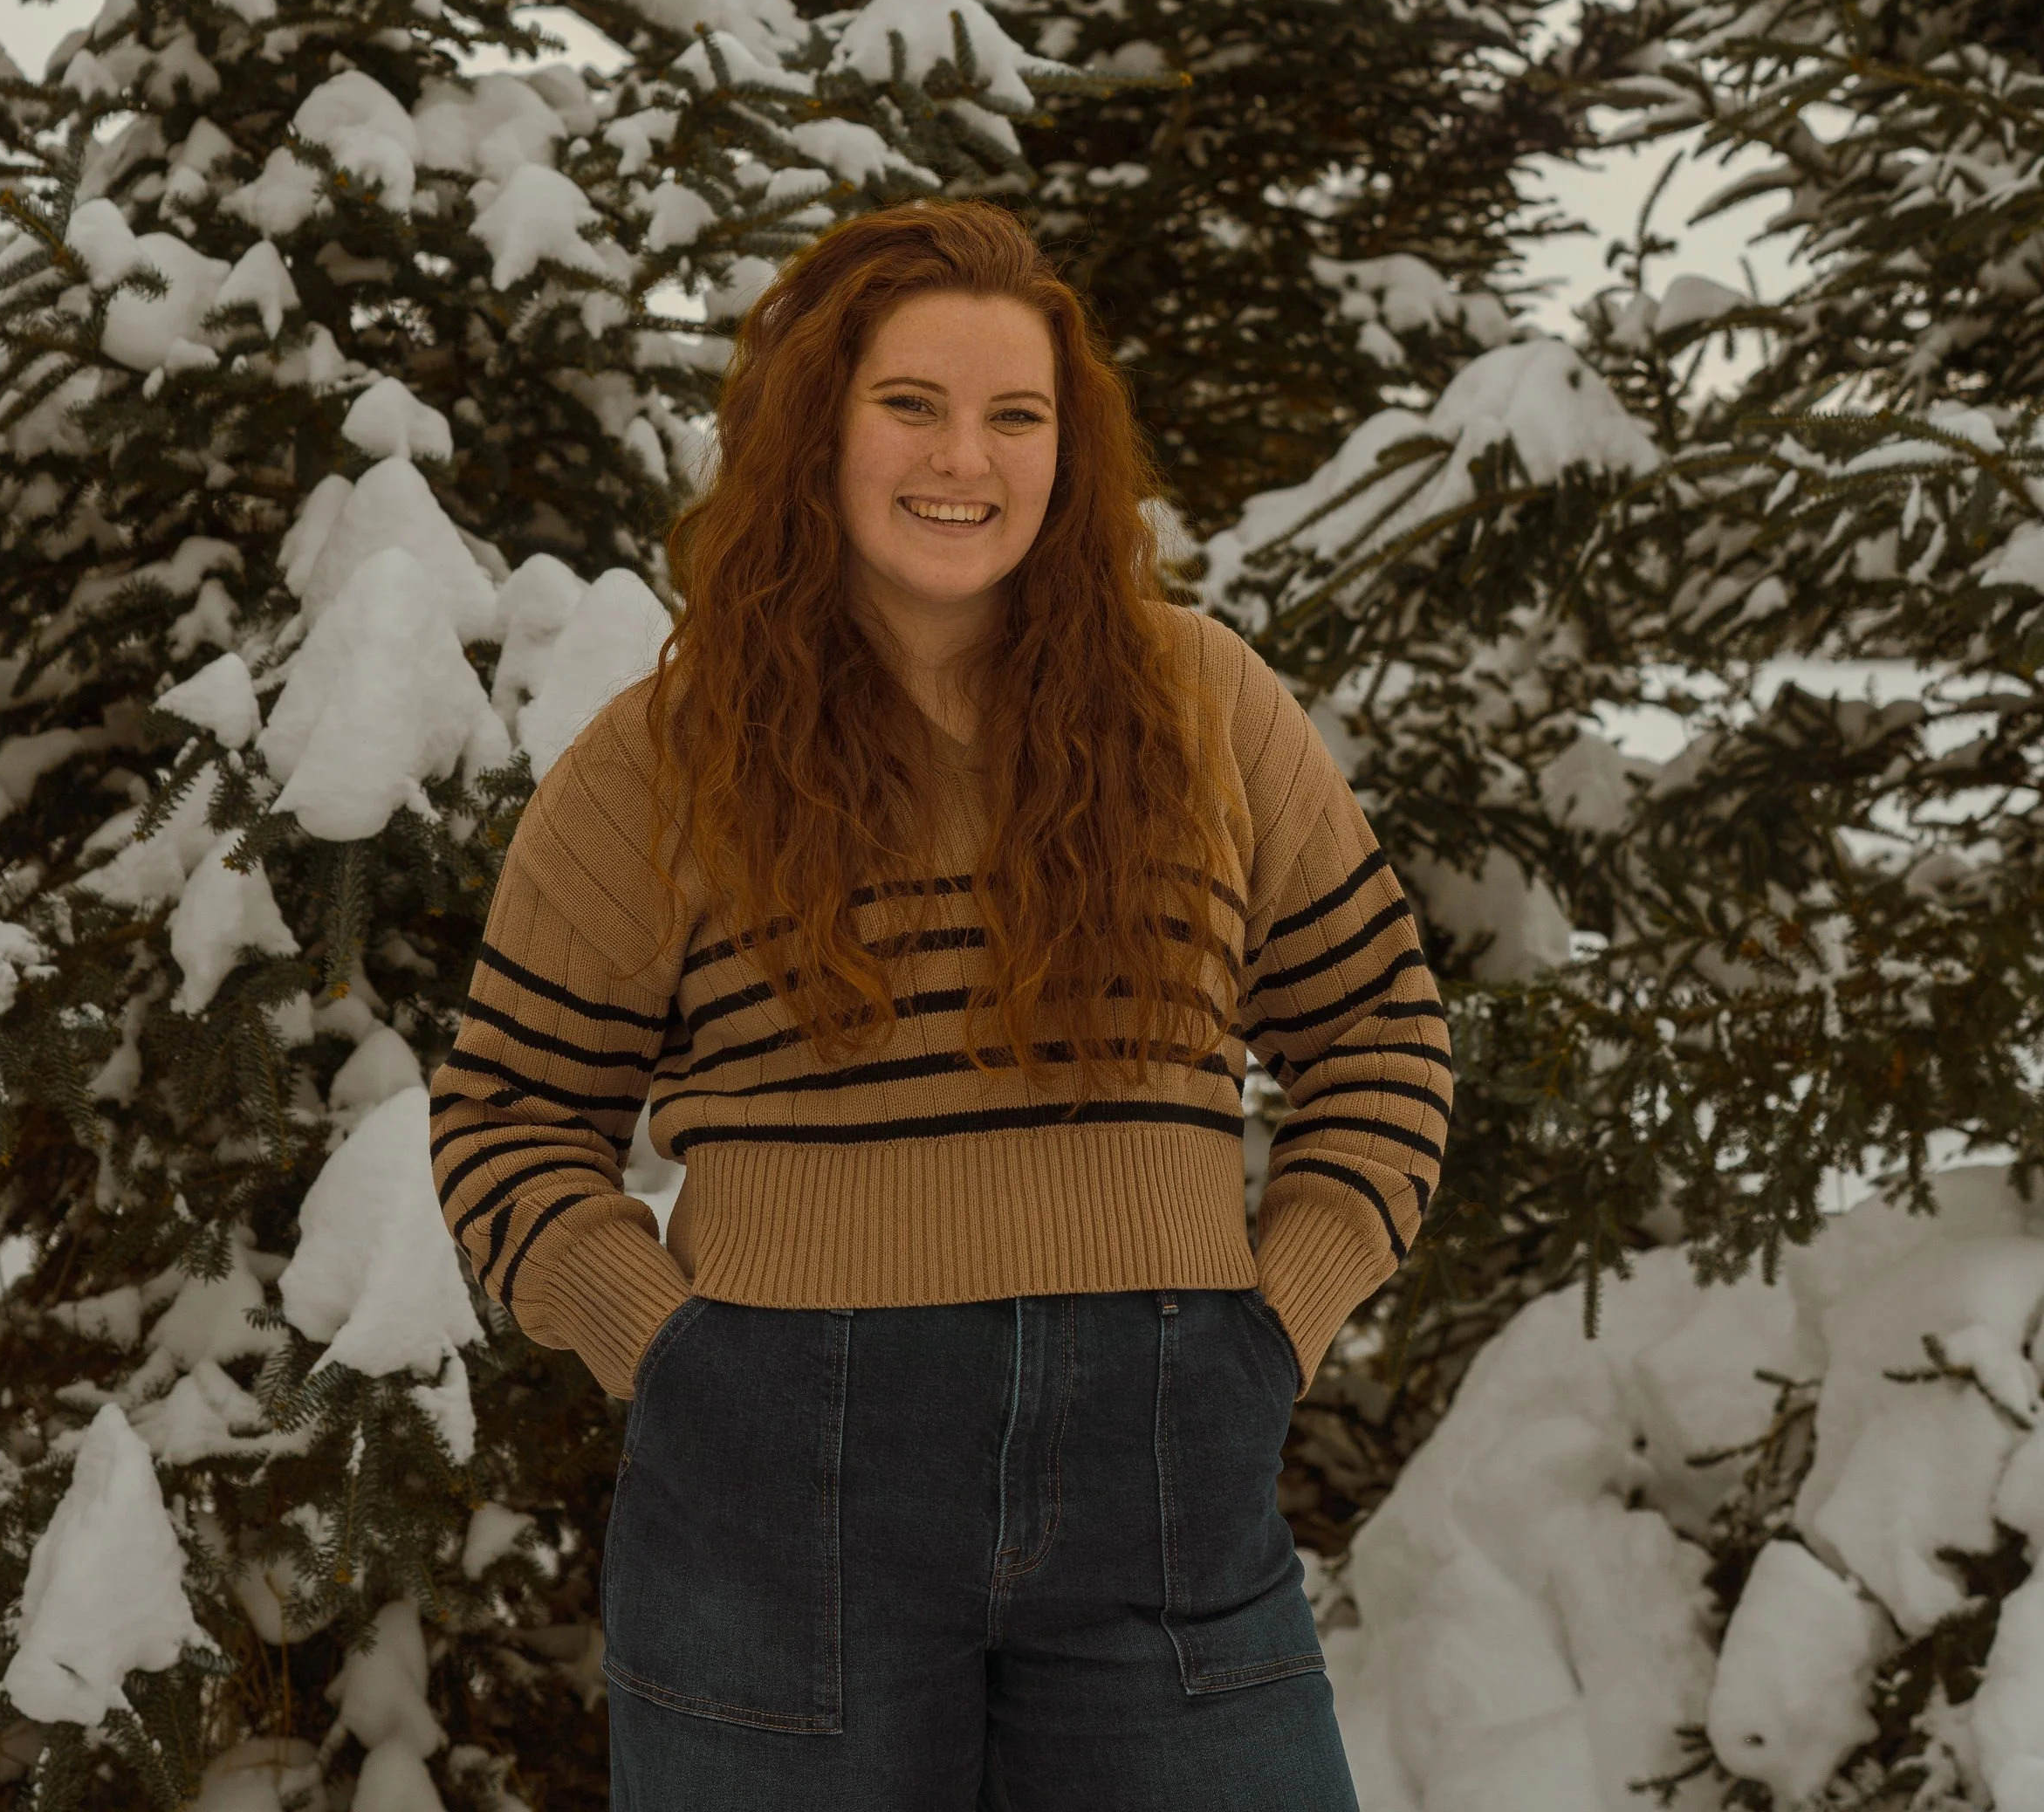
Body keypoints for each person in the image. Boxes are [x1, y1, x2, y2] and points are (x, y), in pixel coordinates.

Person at [430, 199, 1451, 1812]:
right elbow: (505, 1110)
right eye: (910, 404)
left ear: (1069, 448)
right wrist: (667, 1353)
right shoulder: (662, 757)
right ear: (814, 431)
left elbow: (1378, 1032)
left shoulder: (1208, 706)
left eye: (1015, 415)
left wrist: (1277, 1321)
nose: (962, 458)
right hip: (779, 1498)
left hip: (1166, 1475)